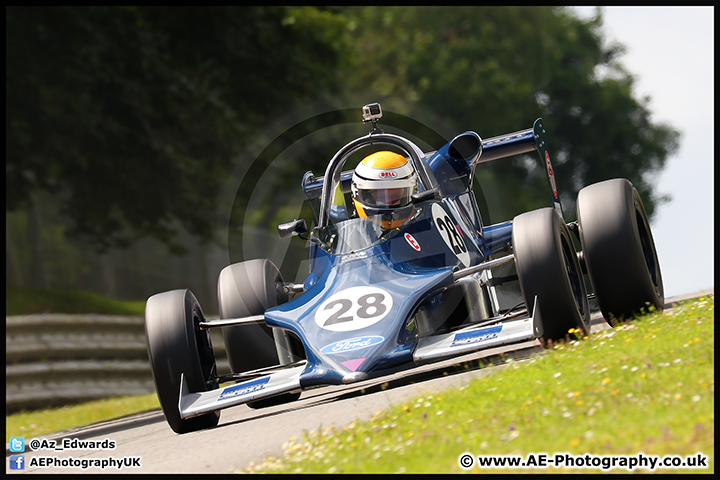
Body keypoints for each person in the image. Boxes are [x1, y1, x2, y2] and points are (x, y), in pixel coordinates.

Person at [350, 151, 418, 229]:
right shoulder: (349, 236)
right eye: (381, 197)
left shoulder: (426, 225)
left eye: (395, 197)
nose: (388, 203)